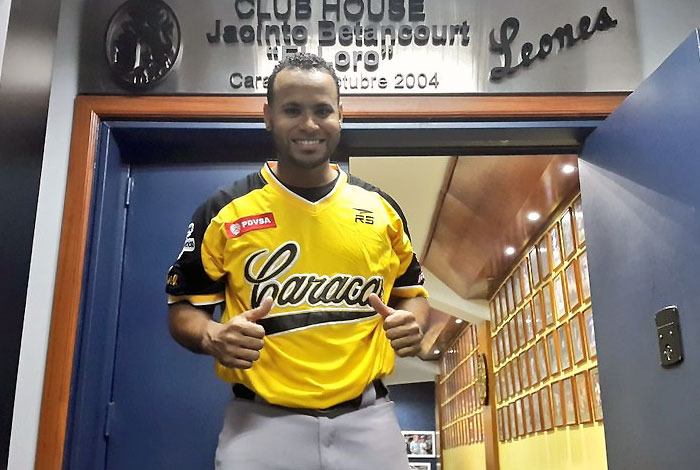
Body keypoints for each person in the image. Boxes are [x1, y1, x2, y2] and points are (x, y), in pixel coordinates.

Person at [165, 52, 430, 470]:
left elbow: (413, 294)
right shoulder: (225, 209)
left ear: (340, 115)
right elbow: (183, 309)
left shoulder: (381, 209)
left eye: (322, 110)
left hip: (368, 421)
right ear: (268, 116)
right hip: (261, 423)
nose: (309, 124)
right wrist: (212, 335)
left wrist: (412, 323)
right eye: (292, 110)